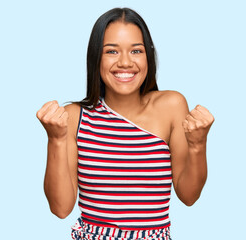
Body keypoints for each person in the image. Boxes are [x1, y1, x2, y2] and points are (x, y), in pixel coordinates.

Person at [36, 7, 214, 240]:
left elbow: (189, 196)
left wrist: (198, 144)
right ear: (95, 57)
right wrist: (55, 139)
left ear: (148, 55)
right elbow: (60, 209)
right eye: (111, 51)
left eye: (136, 50)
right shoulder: (74, 117)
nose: (125, 62)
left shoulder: (172, 105)